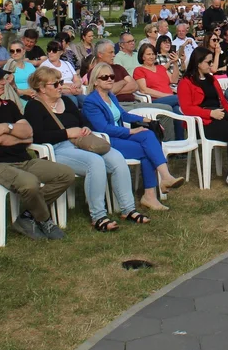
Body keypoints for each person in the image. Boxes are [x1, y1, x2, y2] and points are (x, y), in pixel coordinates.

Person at [25, 66, 147, 230]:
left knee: (116, 157)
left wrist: (85, 129)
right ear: (41, 88)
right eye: (55, 84)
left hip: (82, 142)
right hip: (56, 149)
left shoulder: (66, 101)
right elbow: (37, 136)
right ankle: (98, 216)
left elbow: (83, 121)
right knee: (94, 162)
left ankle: (128, 209)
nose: (61, 86)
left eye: (61, 82)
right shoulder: (33, 107)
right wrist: (66, 133)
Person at [0, 65, 72, 239]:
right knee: (30, 183)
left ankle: (27, 215)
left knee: (65, 174)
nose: (3, 82)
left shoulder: (9, 105)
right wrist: (18, 134)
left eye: (3, 78)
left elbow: (29, 133)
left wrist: (6, 127)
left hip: (23, 160)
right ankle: (45, 220)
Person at [84, 61, 184, 208]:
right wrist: (131, 131)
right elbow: (104, 128)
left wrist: (147, 120)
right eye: (105, 77)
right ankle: (151, 194)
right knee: (147, 150)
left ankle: (165, 177)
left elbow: (124, 115)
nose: (110, 79)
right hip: (106, 140)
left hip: (119, 134)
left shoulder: (111, 96)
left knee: (148, 134)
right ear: (95, 81)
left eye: (111, 76)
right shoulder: (91, 102)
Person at [178, 47, 228, 190]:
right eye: (208, 62)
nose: (211, 65)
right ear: (198, 63)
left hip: (219, 117)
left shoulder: (211, 79)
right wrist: (210, 114)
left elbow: (222, 99)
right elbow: (187, 108)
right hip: (201, 123)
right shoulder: (186, 82)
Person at [133, 43, 181, 115]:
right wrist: (166, 95)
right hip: (155, 100)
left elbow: (174, 80)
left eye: (153, 54)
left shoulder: (161, 68)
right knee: (181, 98)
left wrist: (175, 63)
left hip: (171, 99)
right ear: (142, 57)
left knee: (177, 111)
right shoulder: (139, 70)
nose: (152, 57)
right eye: (148, 54)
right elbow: (144, 90)